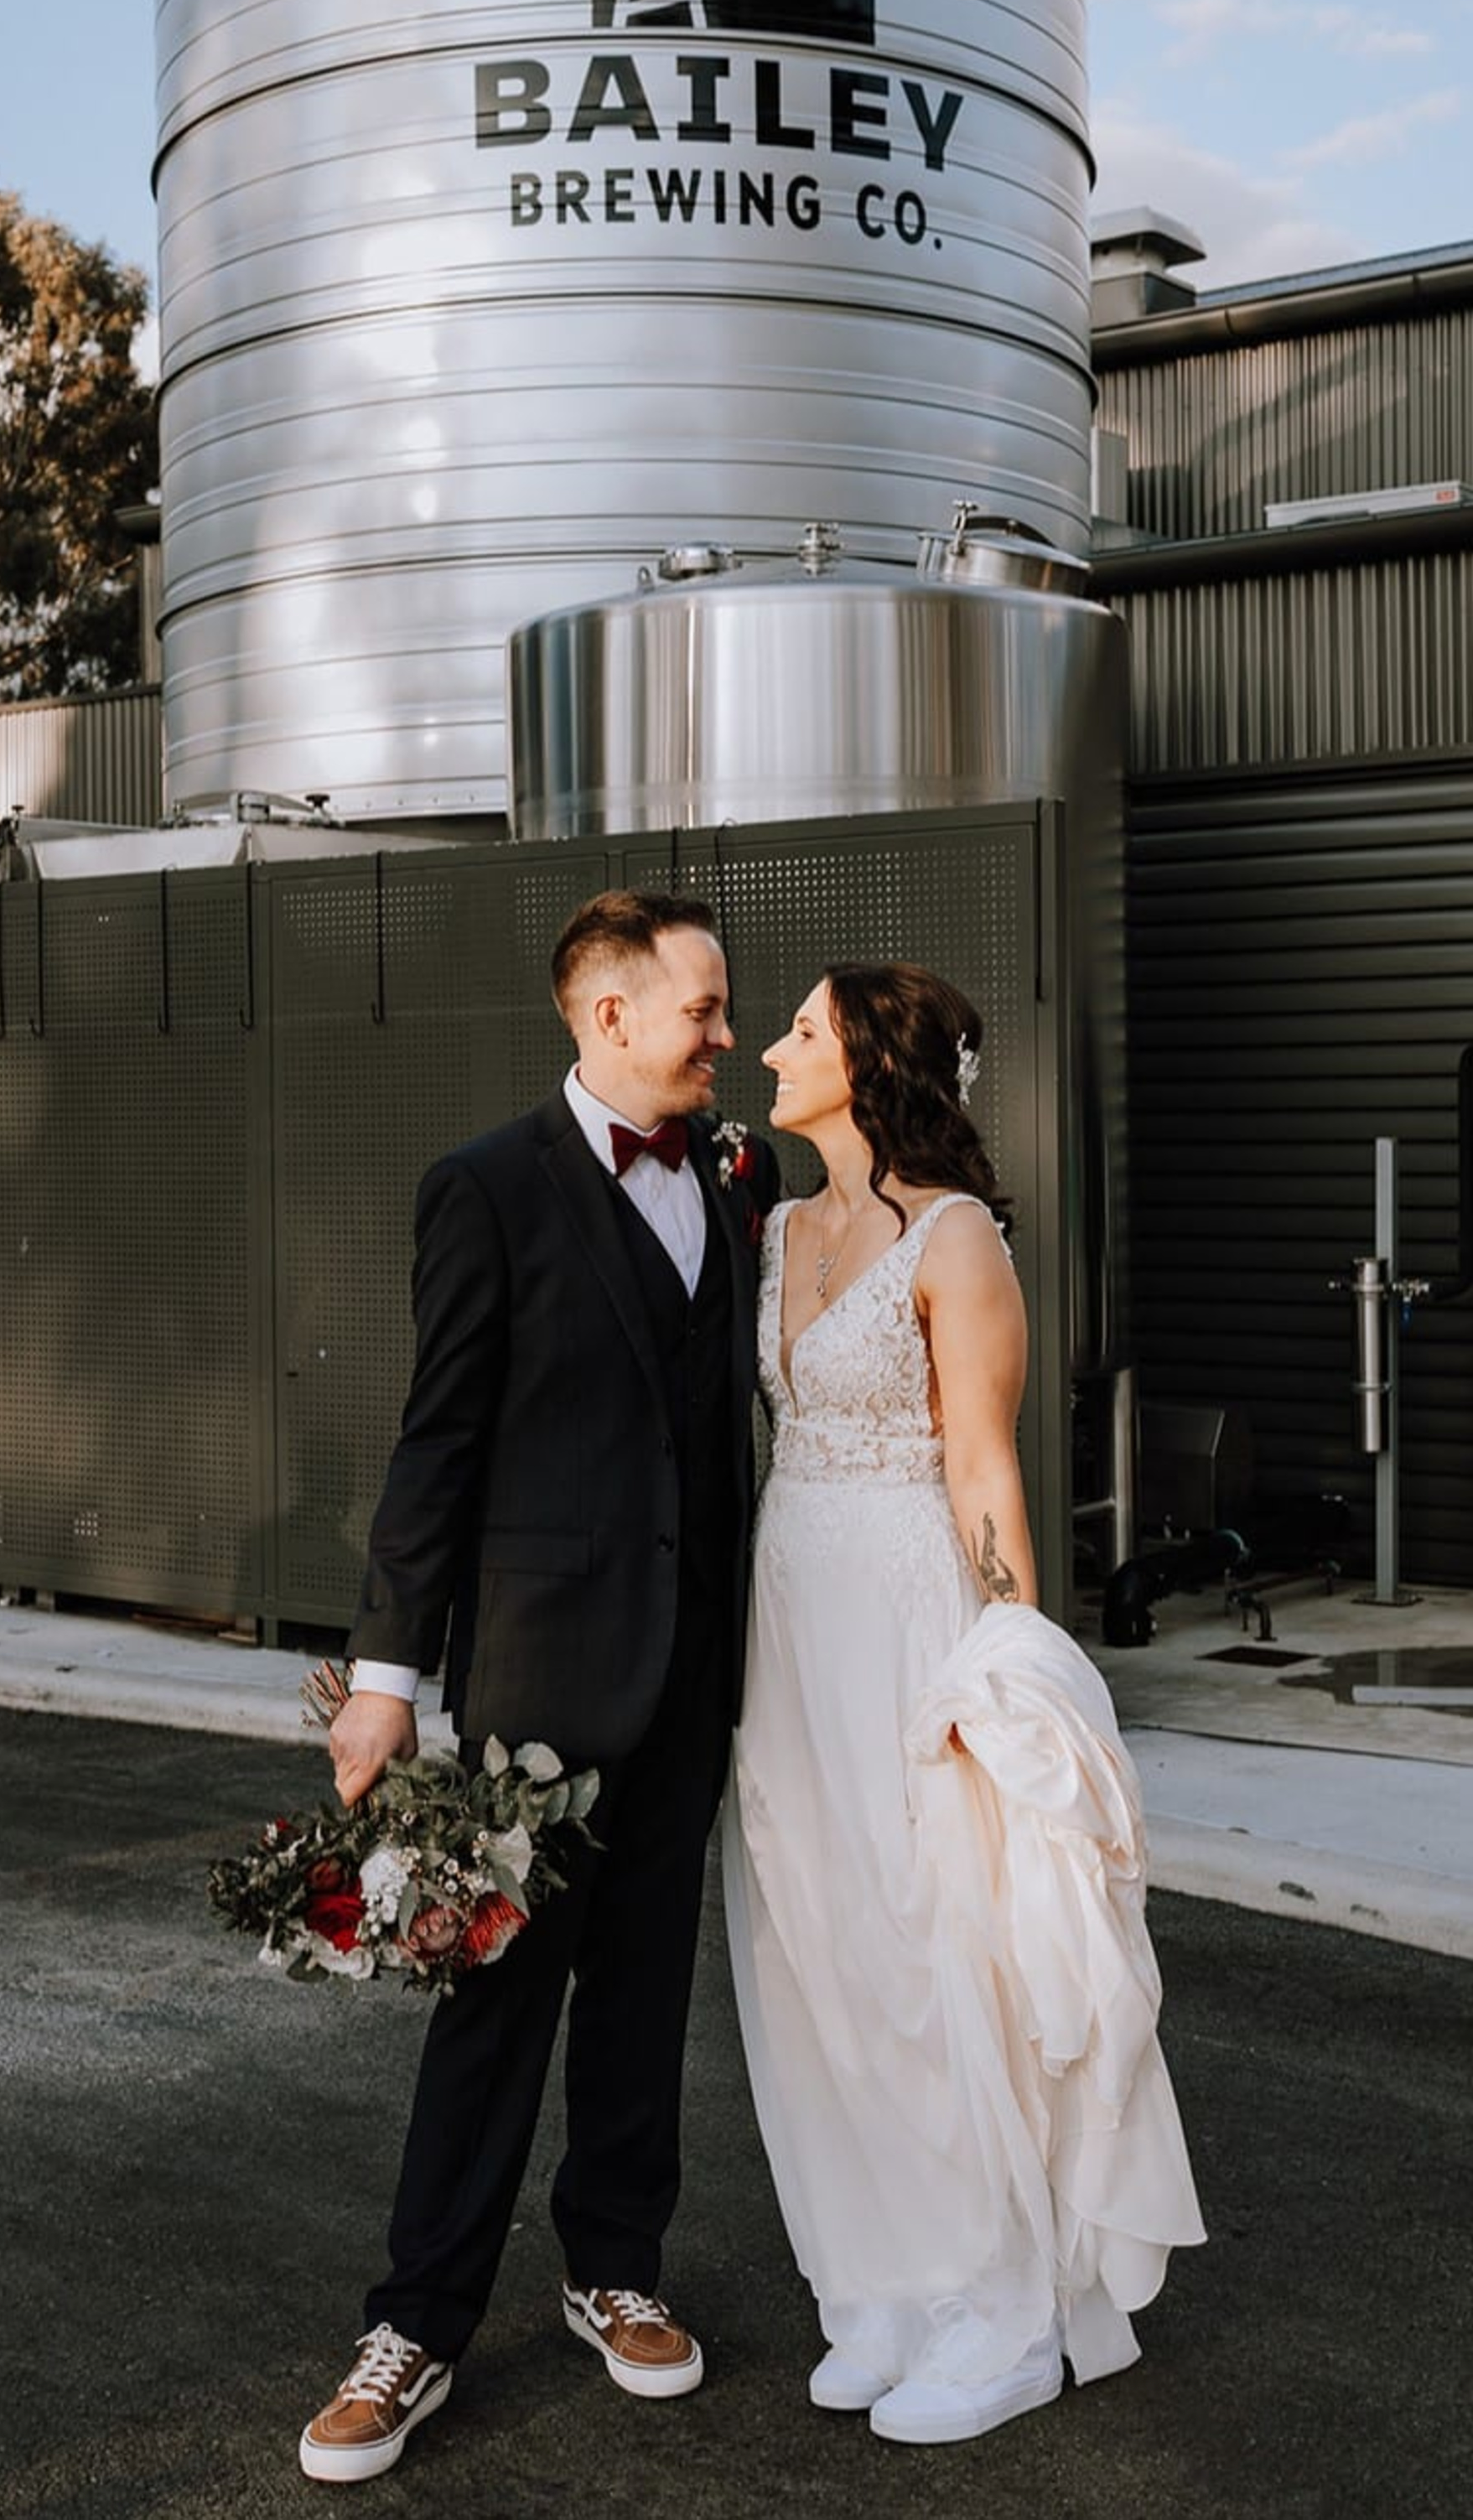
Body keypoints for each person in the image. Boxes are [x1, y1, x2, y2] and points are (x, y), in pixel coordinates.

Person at [301, 889, 779, 2486]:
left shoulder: (740, 1172)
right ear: (609, 1017)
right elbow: (438, 1440)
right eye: (705, 1010)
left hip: (696, 1672)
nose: (727, 1035)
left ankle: (612, 2267)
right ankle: (417, 2326)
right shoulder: (487, 1190)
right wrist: (386, 1678)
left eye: (727, 1010)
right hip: (539, 1677)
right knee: (497, 2006)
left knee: (647, 1987)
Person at [722, 962, 1204, 2448]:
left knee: (939, 1949)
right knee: (823, 1948)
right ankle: (886, 2289)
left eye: (802, 1030)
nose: (768, 1046)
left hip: (912, 1624)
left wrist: (1013, 1676)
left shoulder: (959, 1238)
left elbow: (987, 1475)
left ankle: (998, 2310)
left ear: (869, 1066)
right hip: (791, 1622)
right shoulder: (782, 1221)